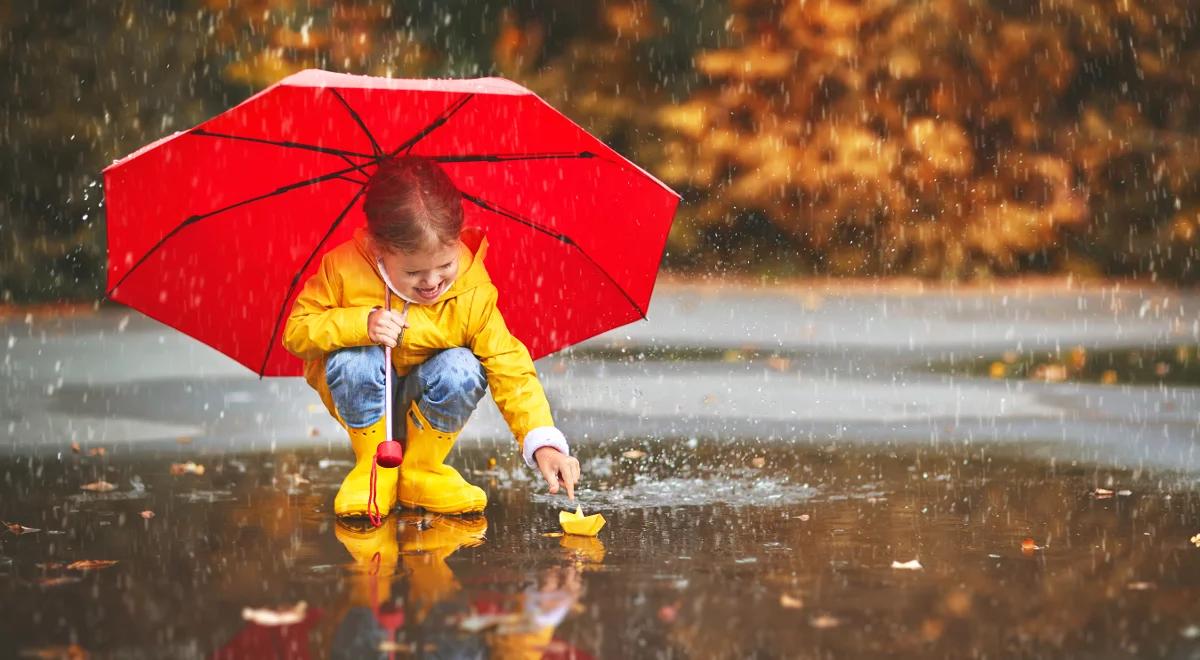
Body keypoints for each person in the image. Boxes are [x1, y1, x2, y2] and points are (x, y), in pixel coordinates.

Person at [282, 155, 581, 518]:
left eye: (445, 266)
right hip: (365, 395)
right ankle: (373, 469)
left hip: (427, 399)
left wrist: (542, 443)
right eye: (413, 272)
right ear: (379, 247)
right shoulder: (343, 269)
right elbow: (297, 332)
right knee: (353, 358)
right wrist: (362, 323)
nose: (432, 282)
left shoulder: (471, 290)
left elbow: (509, 366)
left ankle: (422, 470)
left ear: (456, 240)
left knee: (463, 366)